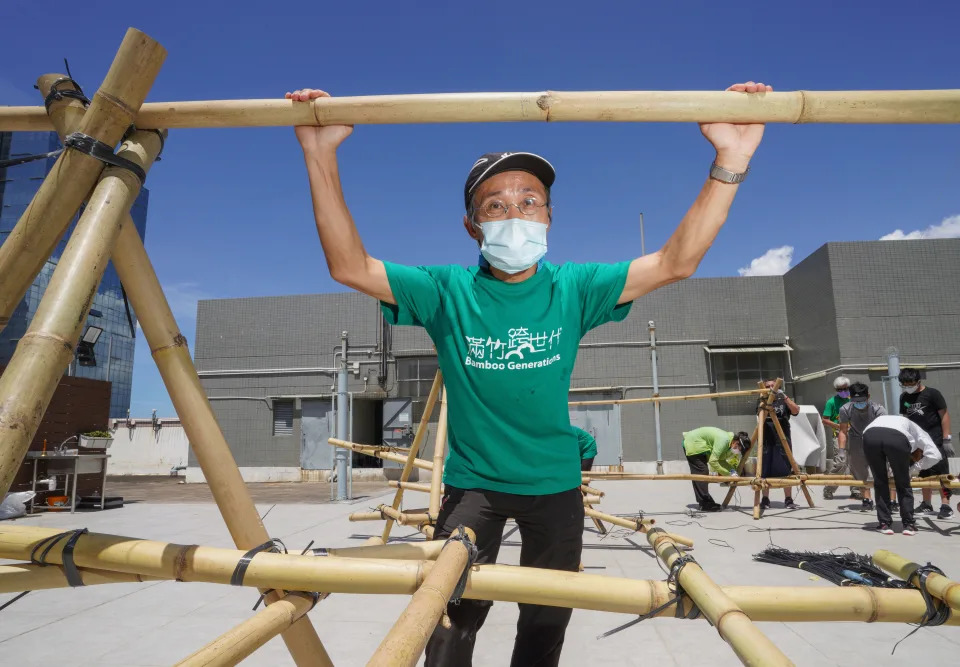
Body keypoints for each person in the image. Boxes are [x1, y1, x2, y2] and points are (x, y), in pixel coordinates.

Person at [286, 80, 771, 667]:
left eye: (529, 201)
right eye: (495, 205)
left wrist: (731, 158)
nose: (514, 214)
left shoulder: (574, 288)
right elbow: (349, 265)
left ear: (549, 216)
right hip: (475, 488)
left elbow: (677, 261)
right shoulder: (446, 291)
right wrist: (320, 152)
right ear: (472, 226)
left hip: (555, 486)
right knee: (447, 618)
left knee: (545, 625)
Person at [863, 414, 942, 535]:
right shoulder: (918, 431)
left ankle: (884, 524)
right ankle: (908, 525)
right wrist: (914, 469)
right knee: (903, 484)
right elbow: (935, 456)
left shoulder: (892, 421)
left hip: (869, 436)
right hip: (896, 438)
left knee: (880, 482)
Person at [898, 368, 954, 519]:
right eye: (904, 384)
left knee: (941, 472)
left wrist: (946, 438)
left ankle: (946, 504)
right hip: (917, 442)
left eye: (911, 384)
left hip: (935, 438)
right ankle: (926, 503)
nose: (908, 387)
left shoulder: (932, 394)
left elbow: (945, 415)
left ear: (918, 381)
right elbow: (905, 420)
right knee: (923, 472)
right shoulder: (904, 397)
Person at [836, 382, 886, 512]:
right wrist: (841, 450)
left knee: (882, 471)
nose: (859, 403)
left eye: (862, 400)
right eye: (855, 400)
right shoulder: (845, 409)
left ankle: (887, 500)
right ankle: (867, 499)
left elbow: (885, 428)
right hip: (856, 441)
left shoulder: (878, 409)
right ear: (850, 398)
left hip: (876, 439)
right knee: (859, 471)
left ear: (868, 396)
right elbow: (843, 431)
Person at [682, 427, 750, 511]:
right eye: (739, 449)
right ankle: (704, 503)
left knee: (700, 472)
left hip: (698, 445)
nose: (738, 451)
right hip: (693, 443)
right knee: (702, 471)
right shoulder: (724, 441)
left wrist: (732, 471)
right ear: (736, 442)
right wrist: (728, 475)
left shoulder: (729, 444)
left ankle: (705, 500)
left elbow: (721, 460)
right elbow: (713, 461)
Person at [759, 380, 800, 510]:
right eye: (768, 386)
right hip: (766, 439)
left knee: (786, 468)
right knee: (764, 470)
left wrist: (785, 398)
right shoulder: (761, 400)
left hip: (783, 438)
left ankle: (788, 499)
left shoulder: (783, 400)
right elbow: (760, 416)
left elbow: (796, 410)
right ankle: (765, 499)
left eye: (773, 386)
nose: (771, 388)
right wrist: (767, 403)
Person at [822, 376, 861, 500]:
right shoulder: (831, 402)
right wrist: (839, 425)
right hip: (838, 435)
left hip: (854, 435)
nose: (843, 391)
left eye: (845, 389)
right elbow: (825, 420)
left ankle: (856, 489)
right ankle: (829, 488)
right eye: (839, 390)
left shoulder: (854, 400)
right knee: (840, 462)